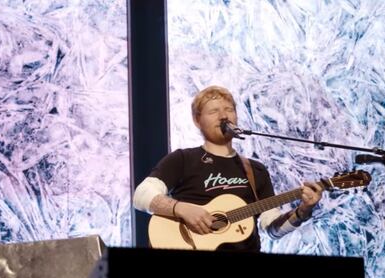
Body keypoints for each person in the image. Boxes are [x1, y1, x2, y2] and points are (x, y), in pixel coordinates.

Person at [133, 85, 323, 251]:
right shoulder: (182, 159)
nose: (223, 115)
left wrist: (302, 212)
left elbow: (272, 229)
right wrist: (181, 208)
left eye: (229, 109)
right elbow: (141, 195)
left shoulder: (256, 171)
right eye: (213, 111)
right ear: (197, 120)